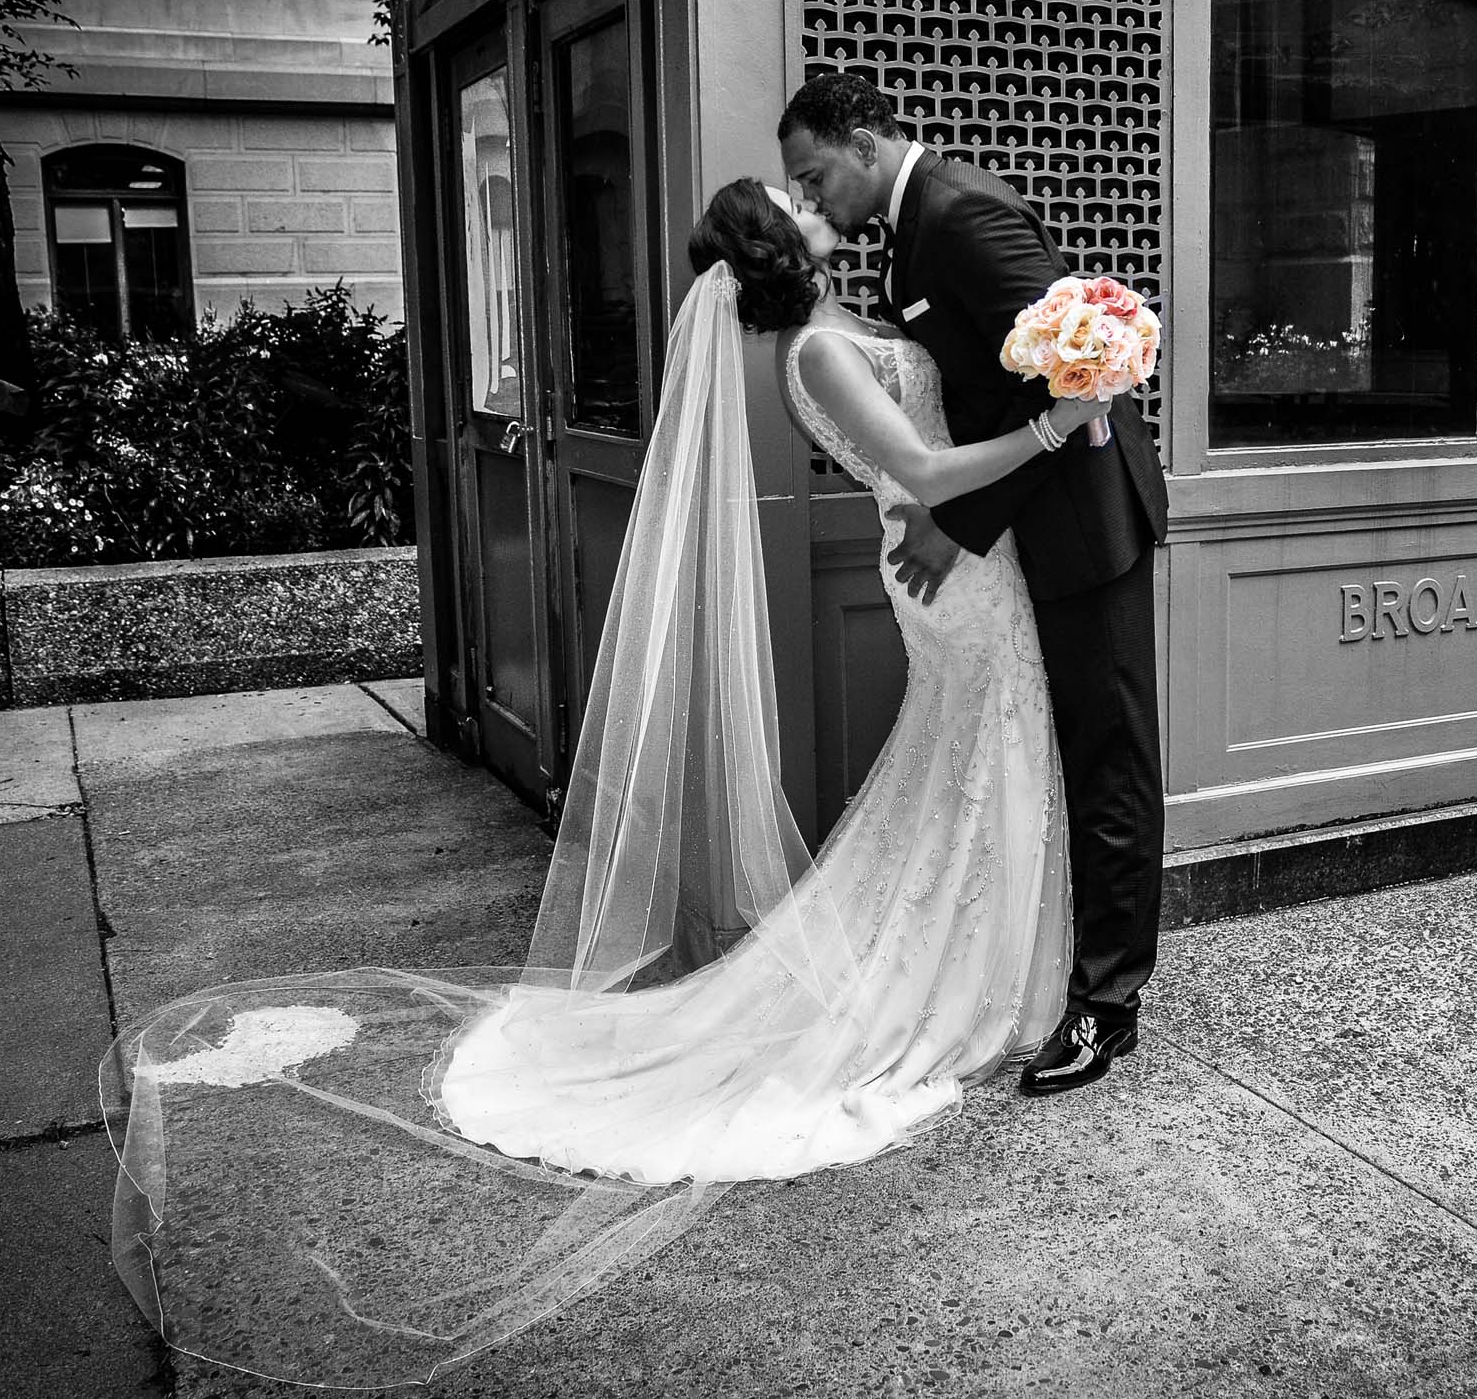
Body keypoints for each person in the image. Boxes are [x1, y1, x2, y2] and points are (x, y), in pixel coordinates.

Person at [101, 176, 1116, 1390]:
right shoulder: (821, 355)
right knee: (974, 763)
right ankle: (960, 972)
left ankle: (990, 951)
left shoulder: (854, 325)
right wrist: (1065, 418)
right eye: (793, 197)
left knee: (972, 769)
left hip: (963, 567)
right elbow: (927, 473)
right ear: (777, 249)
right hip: (951, 570)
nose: (810, 196)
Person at [779, 72, 1169, 1097]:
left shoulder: (956, 213)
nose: (816, 201)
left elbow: (1075, 377)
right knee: (1072, 751)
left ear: (863, 139)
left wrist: (957, 526)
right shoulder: (912, 235)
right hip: (1028, 530)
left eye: (816, 176)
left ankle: (1107, 1006)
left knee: (1109, 757)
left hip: (1088, 524)